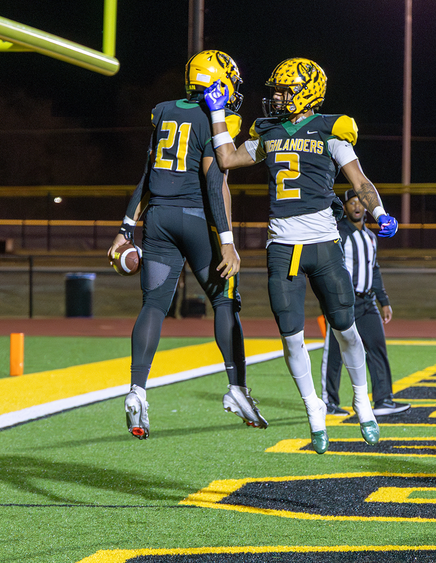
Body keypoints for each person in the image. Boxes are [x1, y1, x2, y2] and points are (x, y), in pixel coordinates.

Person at [204, 57, 400, 454]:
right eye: (276, 91)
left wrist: (379, 212)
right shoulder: (268, 130)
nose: (276, 97)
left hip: (324, 243)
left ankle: (361, 398)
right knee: (291, 338)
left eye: (284, 90)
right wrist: (217, 113)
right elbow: (226, 159)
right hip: (282, 247)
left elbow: (360, 181)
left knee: (346, 328)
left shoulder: (332, 129)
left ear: (306, 93)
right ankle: (314, 408)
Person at [108, 49, 265, 440]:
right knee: (225, 301)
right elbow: (214, 184)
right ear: (217, 82)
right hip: (194, 219)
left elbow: (147, 175)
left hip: (158, 219)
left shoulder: (164, 111)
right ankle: (237, 388)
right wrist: (227, 241)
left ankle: (137, 391)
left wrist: (126, 228)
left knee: (153, 305)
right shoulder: (217, 118)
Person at [320, 188, 410, 417]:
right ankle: (329, 402)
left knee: (377, 348)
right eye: (352, 202)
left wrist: (384, 300)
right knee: (336, 353)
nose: (357, 206)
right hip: (344, 302)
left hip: (367, 301)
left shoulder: (370, 236)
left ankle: (383, 399)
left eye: (360, 202)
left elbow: (374, 269)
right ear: (345, 207)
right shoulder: (338, 233)